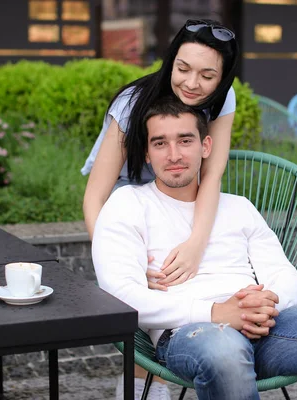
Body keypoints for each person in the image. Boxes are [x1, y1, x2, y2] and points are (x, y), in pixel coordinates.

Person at [92, 97, 297, 400]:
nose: (174, 154)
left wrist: (259, 309)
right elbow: (122, 296)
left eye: (185, 140)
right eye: (160, 143)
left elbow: (286, 277)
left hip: (269, 327)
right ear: (147, 154)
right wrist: (217, 312)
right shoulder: (128, 205)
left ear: (206, 146)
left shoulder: (238, 207)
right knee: (225, 350)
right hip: (192, 332)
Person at [82, 19, 239, 399]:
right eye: (182, 69)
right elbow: (94, 197)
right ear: (170, 62)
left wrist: (196, 243)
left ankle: (161, 378)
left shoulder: (223, 101)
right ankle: (141, 385)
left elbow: (212, 176)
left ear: (222, 80)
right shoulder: (133, 103)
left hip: (178, 197)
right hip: (127, 200)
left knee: (178, 280)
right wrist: (120, 255)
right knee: (142, 292)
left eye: (206, 75)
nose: (191, 83)